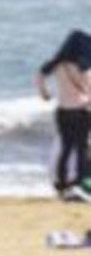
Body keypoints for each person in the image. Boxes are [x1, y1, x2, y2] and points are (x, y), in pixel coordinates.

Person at [37, 30, 91, 198]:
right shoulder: (83, 67)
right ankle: (80, 183)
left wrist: (44, 93)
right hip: (80, 110)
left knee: (66, 148)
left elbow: (39, 75)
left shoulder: (58, 65)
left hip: (62, 111)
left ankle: (61, 186)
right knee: (81, 148)